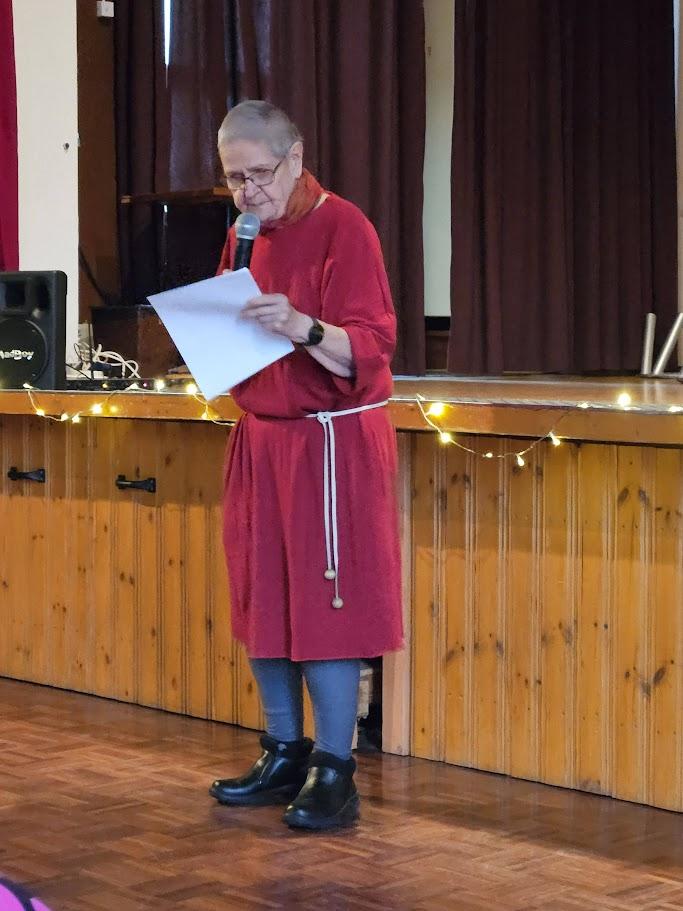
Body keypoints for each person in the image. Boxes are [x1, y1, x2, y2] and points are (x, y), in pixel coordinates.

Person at [209, 100, 403, 830]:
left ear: (295, 158)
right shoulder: (243, 233)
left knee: (329, 602)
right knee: (262, 593)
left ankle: (334, 768)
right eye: (234, 178)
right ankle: (284, 750)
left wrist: (301, 325)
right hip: (262, 436)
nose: (247, 192)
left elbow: (372, 346)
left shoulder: (344, 226)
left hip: (329, 443)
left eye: (259, 174)